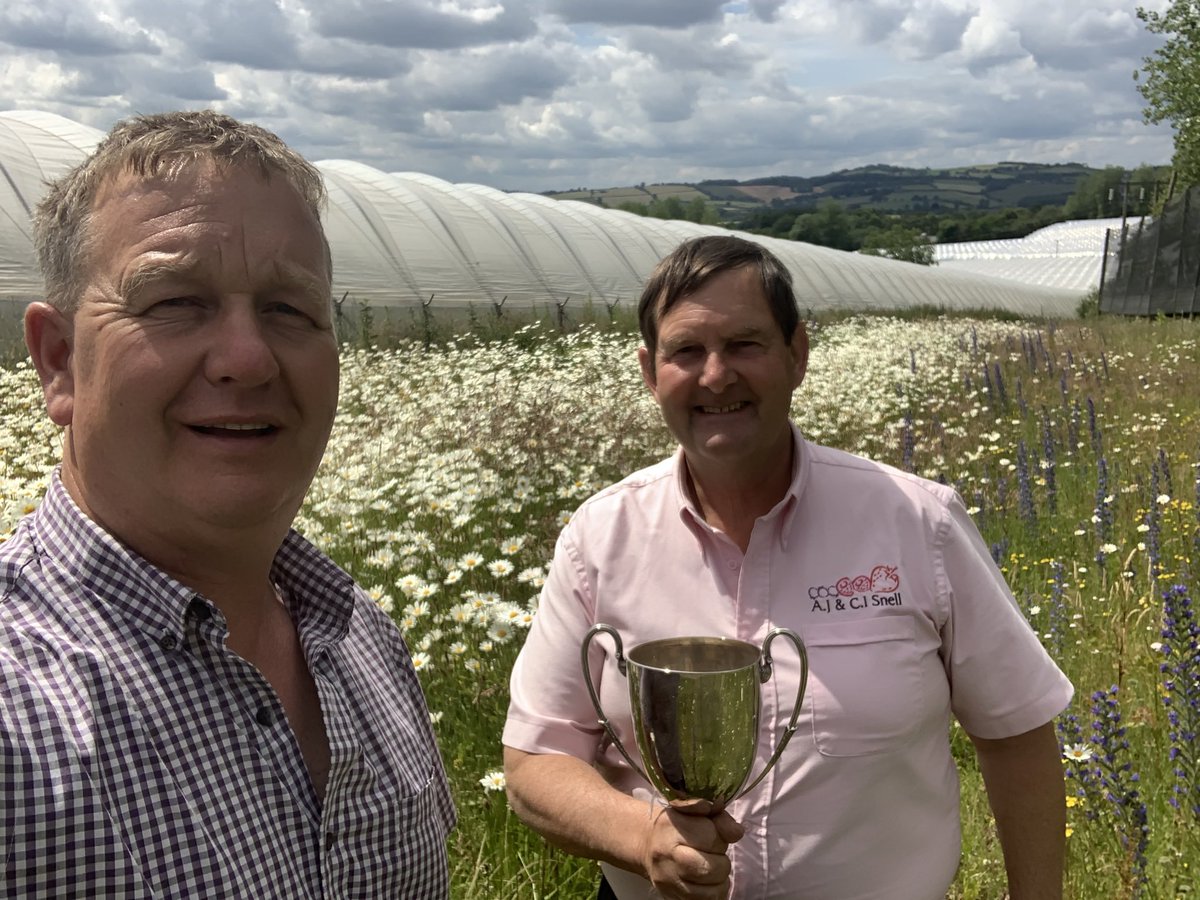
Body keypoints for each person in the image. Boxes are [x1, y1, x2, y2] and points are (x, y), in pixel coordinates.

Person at [502, 235, 1073, 900]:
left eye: (744, 344)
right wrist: (644, 837)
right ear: (649, 371)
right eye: (686, 351)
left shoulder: (918, 523)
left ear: (797, 353)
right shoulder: (600, 539)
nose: (716, 375)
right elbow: (535, 762)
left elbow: (1018, 736)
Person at [1, 110, 454, 898]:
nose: (247, 358)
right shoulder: (18, 720)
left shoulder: (362, 638)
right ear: (60, 361)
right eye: (175, 300)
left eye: (290, 309)